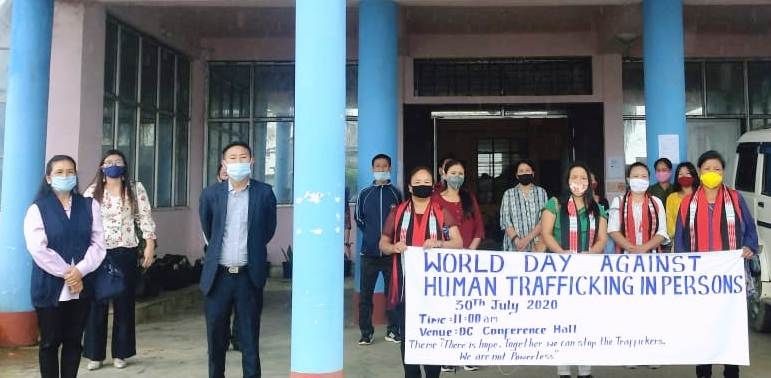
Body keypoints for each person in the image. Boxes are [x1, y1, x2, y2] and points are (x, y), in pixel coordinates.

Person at [674, 150, 758, 378]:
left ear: (724, 172)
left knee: (730, 325)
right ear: (699, 172)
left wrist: (750, 247)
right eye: (707, 169)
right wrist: (684, 269)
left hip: (730, 278)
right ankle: (703, 372)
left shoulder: (736, 198)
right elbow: (680, 239)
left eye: (717, 169)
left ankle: (731, 371)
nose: (712, 173)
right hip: (700, 279)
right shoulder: (687, 203)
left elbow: (750, 230)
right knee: (703, 326)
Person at [199, 141, 277, 378]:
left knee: (249, 340)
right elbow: (209, 229)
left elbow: (268, 230)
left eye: (243, 157)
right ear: (224, 163)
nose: (238, 162)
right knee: (216, 340)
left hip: (248, 276)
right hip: (218, 277)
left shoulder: (264, 193)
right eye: (232, 158)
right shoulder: (211, 194)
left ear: (252, 161)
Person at [24, 155, 106, 378]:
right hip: (50, 287)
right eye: (59, 172)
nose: (66, 176)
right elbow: (38, 248)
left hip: (82, 286)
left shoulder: (90, 205)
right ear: (49, 178)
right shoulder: (38, 209)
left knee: (73, 342)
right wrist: (68, 274)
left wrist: (80, 271)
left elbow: (98, 245)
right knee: (49, 343)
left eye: (70, 171)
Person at [379, 166, 463, 378]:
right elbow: (383, 243)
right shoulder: (397, 212)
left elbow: (458, 242)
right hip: (405, 287)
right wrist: (393, 248)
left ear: (432, 186)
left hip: (433, 289)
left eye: (427, 182)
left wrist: (439, 244)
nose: (422, 185)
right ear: (409, 187)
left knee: (431, 335)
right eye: (418, 182)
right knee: (409, 336)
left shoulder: (442, 212)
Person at [82, 150, 157, 370]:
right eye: (108, 162)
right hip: (98, 254)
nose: (113, 165)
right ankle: (95, 355)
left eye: (117, 162)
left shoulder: (135, 188)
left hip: (125, 251)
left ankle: (121, 353)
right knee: (97, 303)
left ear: (124, 166)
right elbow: (84, 223)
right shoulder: (92, 191)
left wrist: (149, 245)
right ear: (102, 167)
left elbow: (144, 217)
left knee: (124, 303)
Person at [540, 162, 608, 378]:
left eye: (583, 178)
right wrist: (561, 253)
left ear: (590, 183)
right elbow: (546, 234)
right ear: (567, 180)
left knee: (586, 320)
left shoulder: (598, 208)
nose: (579, 182)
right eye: (574, 177)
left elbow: (602, 239)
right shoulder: (554, 204)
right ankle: (563, 370)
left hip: (588, 272)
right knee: (562, 321)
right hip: (559, 271)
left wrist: (593, 253)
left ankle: (585, 371)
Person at [434, 159, 484, 373]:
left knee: (468, 310)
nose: (457, 176)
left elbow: (479, 229)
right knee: (446, 310)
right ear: (443, 175)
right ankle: (446, 355)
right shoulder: (435, 199)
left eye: (461, 173)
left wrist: (469, 253)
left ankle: (467, 353)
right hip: (443, 263)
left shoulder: (469, 197)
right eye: (453, 172)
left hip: (468, 261)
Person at [354, 154, 402, 345]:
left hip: (391, 254)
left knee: (393, 295)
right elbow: (359, 219)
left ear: (390, 168)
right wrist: (372, 237)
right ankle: (366, 332)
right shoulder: (364, 194)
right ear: (372, 169)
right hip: (369, 254)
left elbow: (401, 219)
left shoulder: (396, 193)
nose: (381, 169)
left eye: (384, 166)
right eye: (378, 166)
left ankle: (393, 330)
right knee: (365, 295)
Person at [608, 162, 668, 254]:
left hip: (652, 257)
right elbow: (613, 230)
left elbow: (662, 232)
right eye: (635, 176)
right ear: (628, 180)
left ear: (648, 180)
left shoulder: (657, 202)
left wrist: (644, 248)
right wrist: (631, 248)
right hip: (624, 257)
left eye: (644, 176)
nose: (640, 179)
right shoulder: (618, 201)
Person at [499, 159, 548, 252]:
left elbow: (544, 220)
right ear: (517, 175)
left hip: (536, 247)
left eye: (527, 170)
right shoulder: (508, 194)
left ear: (533, 173)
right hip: (513, 247)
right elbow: (505, 221)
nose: (524, 173)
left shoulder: (541, 192)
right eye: (521, 171)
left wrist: (527, 239)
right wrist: (517, 241)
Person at [665, 162, 698, 240]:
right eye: (680, 174)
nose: (684, 176)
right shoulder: (671, 198)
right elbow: (670, 225)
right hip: (678, 241)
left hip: (699, 240)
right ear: (677, 177)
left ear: (694, 175)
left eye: (687, 173)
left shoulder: (700, 195)